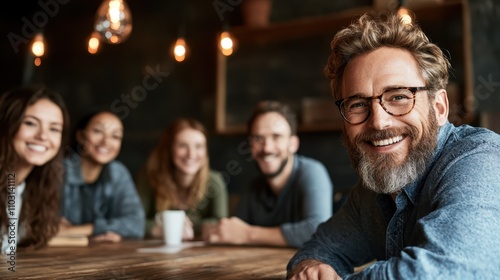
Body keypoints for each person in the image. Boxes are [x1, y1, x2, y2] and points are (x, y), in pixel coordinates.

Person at [287, 12, 500, 279]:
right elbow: (319, 249)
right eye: (358, 104)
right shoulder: (372, 193)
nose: (378, 122)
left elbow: (448, 270)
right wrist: (310, 269)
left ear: (440, 107)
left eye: (398, 96)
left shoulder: (482, 160)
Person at [207, 101, 334, 248]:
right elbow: (234, 231)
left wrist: (248, 234)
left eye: (276, 137)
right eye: (258, 138)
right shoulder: (254, 187)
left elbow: (317, 229)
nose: (267, 147)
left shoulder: (312, 172)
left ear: (293, 144)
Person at [0, 86, 70, 253]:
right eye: (30, 123)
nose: (43, 136)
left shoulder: (35, 188)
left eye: (54, 129)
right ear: (7, 125)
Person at [58, 110, 144, 242]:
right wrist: (107, 229)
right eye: (98, 131)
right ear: (81, 136)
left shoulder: (118, 173)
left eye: (115, 136)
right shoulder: (58, 171)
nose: (106, 142)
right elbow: (44, 227)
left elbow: (136, 224)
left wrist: (84, 230)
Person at [136, 118, 228, 240]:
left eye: (199, 146)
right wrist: (157, 229)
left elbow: (221, 225)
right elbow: (134, 222)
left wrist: (175, 226)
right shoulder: (150, 178)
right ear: (169, 149)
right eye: (183, 145)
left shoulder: (214, 181)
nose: (191, 154)